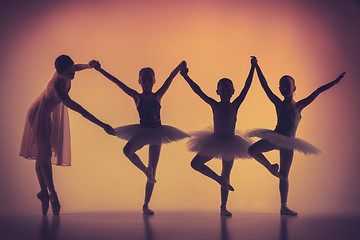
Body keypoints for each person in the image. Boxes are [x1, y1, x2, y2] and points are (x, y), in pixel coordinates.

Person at [247, 57, 345, 215]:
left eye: (288, 85)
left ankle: (283, 206)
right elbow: (265, 86)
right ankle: (271, 167)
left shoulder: (299, 105)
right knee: (252, 150)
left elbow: (317, 91)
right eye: (282, 85)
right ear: (279, 89)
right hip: (276, 137)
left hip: (289, 142)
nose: (285, 87)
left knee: (284, 175)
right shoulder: (278, 103)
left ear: (294, 88)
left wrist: (334, 82)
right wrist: (256, 67)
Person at [90, 60, 189, 215]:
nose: (147, 82)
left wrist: (180, 65)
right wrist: (99, 70)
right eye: (144, 80)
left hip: (157, 132)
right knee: (127, 150)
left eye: (150, 79)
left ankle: (146, 204)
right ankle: (145, 170)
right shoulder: (136, 96)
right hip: (142, 131)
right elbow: (117, 82)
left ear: (154, 81)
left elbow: (170, 77)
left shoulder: (158, 95)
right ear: (139, 82)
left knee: (154, 170)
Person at [19, 55, 115, 215]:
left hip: (45, 113)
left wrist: (88, 66)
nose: (73, 74)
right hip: (37, 114)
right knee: (45, 155)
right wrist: (102, 124)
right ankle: (52, 195)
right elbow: (81, 110)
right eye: (70, 72)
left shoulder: (65, 71)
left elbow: (75, 67)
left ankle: (43, 193)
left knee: (43, 154)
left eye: (73, 70)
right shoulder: (57, 89)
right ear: (60, 72)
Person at [180, 58, 263, 216]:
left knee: (227, 173)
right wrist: (186, 77)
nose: (225, 92)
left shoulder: (235, 104)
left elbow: (247, 87)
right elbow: (198, 91)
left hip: (231, 143)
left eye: (228, 89)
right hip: (215, 141)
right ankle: (218, 179)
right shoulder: (214, 104)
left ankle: (223, 207)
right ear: (217, 92)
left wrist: (252, 68)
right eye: (222, 89)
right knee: (195, 163)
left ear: (233, 91)